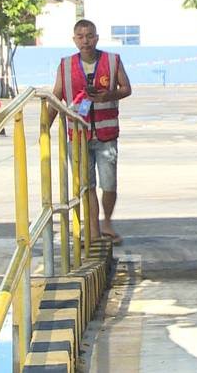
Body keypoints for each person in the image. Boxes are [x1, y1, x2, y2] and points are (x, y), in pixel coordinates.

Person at [51, 19, 132, 244]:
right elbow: (56, 96)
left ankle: (107, 221)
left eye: (89, 36)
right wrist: (44, 127)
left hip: (106, 135)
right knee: (87, 186)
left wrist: (108, 95)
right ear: (74, 39)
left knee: (109, 184)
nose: (85, 41)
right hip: (77, 136)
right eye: (80, 37)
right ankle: (94, 229)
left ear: (96, 38)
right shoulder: (65, 65)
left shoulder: (112, 61)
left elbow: (126, 88)